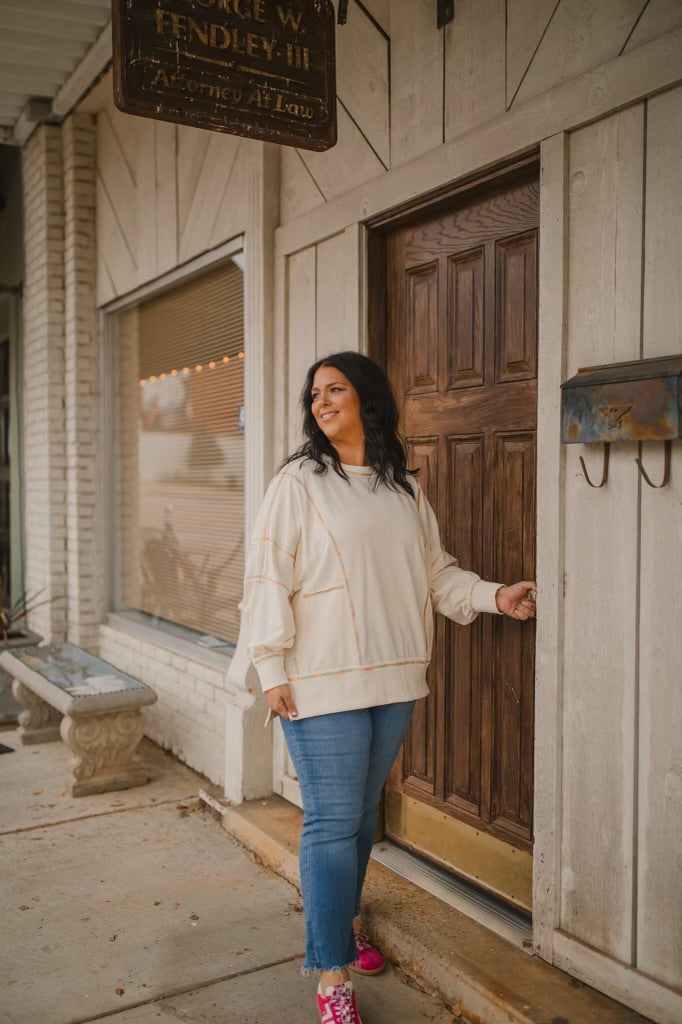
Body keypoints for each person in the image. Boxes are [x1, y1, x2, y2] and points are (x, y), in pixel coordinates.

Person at [239, 351, 536, 1024]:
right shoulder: (298, 484)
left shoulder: (403, 489)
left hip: (396, 679)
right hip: (320, 681)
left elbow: (437, 576)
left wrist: (496, 596)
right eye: (313, 394)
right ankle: (332, 974)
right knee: (333, 823)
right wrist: (271, 668)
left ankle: (341, 924)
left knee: (360, 822)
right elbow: (266, 579)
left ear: (367, 397)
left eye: (334, 389)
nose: (320, 402)